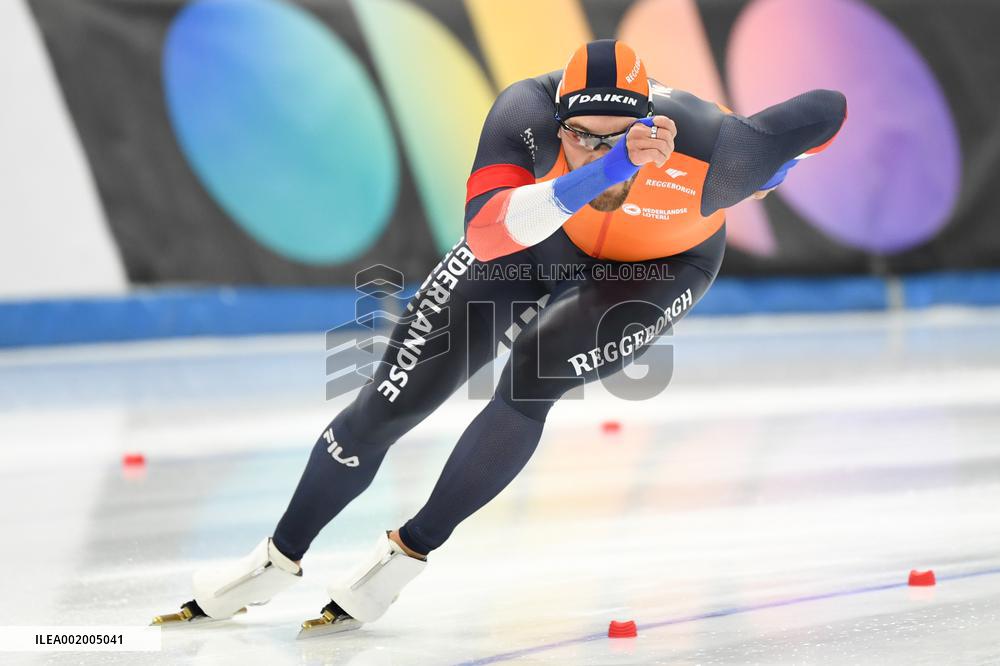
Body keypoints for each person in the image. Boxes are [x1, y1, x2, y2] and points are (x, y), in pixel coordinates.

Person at [152, 39, 846, 635]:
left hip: (658, 267)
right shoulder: (525, 112)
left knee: (534, 371)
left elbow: (827, 108)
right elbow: (488, 232)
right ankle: (277, 556)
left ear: (654, 123)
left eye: (616, 136)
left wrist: (781, 162)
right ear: (557, 119)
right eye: (581, 136)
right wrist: (611, 170)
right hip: (536, 238)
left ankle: (406, 553)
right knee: (390, 400)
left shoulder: (719, 151)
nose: (594, 148)